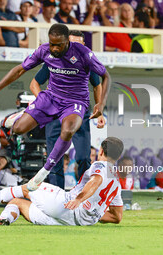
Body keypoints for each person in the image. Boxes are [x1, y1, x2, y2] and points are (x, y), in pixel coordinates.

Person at [0, 23, 111, 193]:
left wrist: (101, 104)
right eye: (51, 43)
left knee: (70, 134)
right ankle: (23, 115)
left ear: (67, 42)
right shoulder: (45, 51)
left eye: (58, 45)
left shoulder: (82, 53)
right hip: (51, 98)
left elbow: (105, 76)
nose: (54, 48)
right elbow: (20, 71)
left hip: (75, 102)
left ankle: (46, 171)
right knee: (17, 129)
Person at [0, 137, 124, 226]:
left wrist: (78, 200)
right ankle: (4, 219)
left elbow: (96, 180)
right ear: (118, 156)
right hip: (75, 222)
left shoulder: (100, 165)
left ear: (101, 151)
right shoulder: (116, 182)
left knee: (31, 187)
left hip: (67, 206)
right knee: (17, 202)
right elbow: (117, 217)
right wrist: (92, 214)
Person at [29, 30, 106, 188]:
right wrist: (44, 102)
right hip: (56, 114)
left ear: (84, 45)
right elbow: (34, 83)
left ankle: (84, 194)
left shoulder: (86, 61)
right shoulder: (53, 61)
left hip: (79, 113)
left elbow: (97, 85)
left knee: (84, 157)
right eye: (72, 43)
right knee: (54, 158)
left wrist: (99, 111)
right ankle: (57, 198)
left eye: (79, 43)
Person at [0, 92, 36, 186]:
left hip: (33, 148)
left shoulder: (39, 118)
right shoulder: (11, 118)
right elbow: (3, 140)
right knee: (1, 160)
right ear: (18, 102)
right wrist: (16, 139)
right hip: (12, 148)